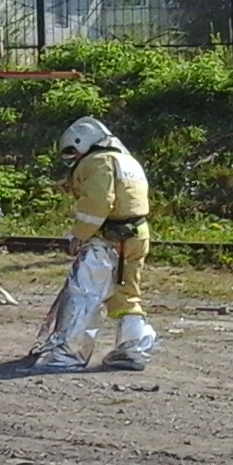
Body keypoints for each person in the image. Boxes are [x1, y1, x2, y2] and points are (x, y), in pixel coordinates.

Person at [33, 116, 155, 371]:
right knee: (127, 294)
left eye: (72, 152)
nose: (72, 159)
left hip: (107, 239)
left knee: (83, 294)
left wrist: (79, 235)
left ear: (82, 142)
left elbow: (99, 202)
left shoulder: (99, 162)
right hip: (137, 235)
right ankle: (133, 349)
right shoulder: (126, 160)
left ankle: (67, 355)